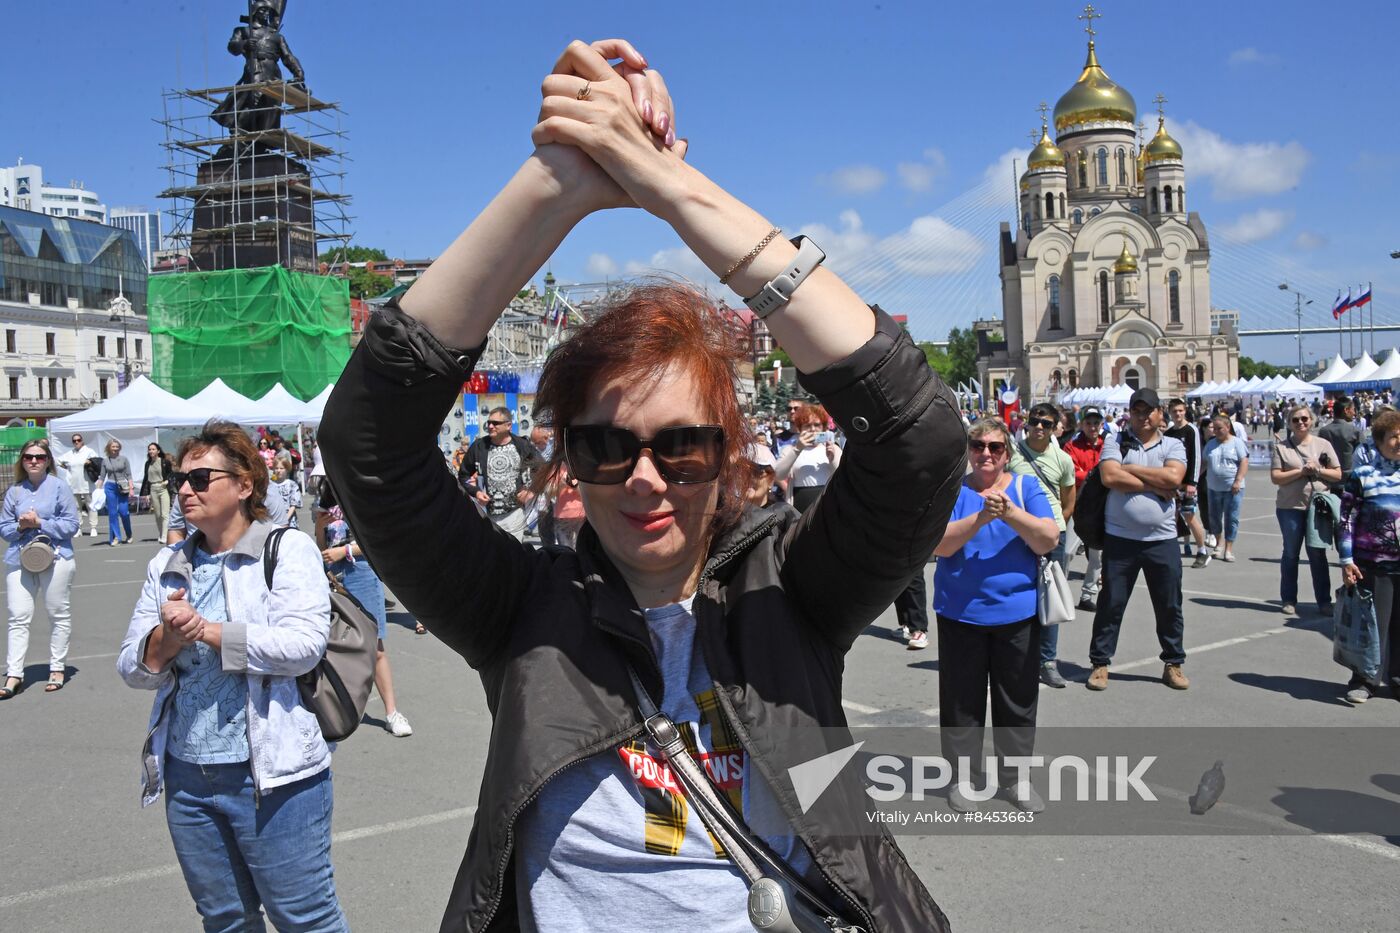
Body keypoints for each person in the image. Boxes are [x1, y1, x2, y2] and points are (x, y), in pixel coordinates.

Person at [318, 38, 964, 932]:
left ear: (732, 453)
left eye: (684, 445)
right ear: (568, 460)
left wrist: (668, 188)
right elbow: (368, 441)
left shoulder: (792, 593)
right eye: (605, 447)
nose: (646, 479)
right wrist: (557, 181)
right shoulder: (520, 610)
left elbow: (920, 439)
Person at [116, 421, 347, 930]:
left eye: (201, 478)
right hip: (186, 774)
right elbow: (133, 667)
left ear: (245, 485)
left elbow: (303, 645)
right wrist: (168, 640)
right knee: (224, 919)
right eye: (181, 478)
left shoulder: (285, 549)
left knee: (305, 918)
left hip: (272, 774)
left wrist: (209, 631)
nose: (184, 489)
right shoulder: (168, 563)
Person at [933, 418, 1058, 811]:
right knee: (961, 702)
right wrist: (981, 518)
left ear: (1007, 454)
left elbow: (1047, 538)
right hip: (960, 613)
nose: (985, 454)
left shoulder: (1025, 487)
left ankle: (1015, 780)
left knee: (1017, 702)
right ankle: (963, 779)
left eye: (995, 447)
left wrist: (1009, 514)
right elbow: (940, 545)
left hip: (1016, 615)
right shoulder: (954, 491)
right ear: (968, 450)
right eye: (977, 446)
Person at [1087, 389, 1190, 691]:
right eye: (1137, 411)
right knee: (1111, 603)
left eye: (1149, 411)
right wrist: (1154, 483)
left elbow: (1174, 480)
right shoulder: (1115, 441)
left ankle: (1173, 663)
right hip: (1120, 539)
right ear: (1129, 413)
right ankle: (1100, 663)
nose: (1142, 417)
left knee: (1169, 604)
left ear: (1160, 413)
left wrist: (1129, 468)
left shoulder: (1173, 443)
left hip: (1162, 540)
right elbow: (1109, 477)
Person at [315, 473, 412, 737]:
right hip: (334, 575)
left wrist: (344, 552)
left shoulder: (364, 496)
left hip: (362, 573)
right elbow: (322, 547)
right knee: (333, 644)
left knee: (375, 644)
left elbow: (379, 538)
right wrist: (319, 529)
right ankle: (337, 708)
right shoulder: (324, 501)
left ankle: (392, 712)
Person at [1, 440, 79, 697]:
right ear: (22, 461)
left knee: (57, 613)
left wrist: (40, 522)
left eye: (40, 457)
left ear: (48, 461)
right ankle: (14, 674)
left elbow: (71, 525)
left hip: (56, 557)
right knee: (18, 615)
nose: (34, 461)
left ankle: (57, 667)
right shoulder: (14, 491)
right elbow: (4, 528)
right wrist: (21, 526)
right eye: (29, 457)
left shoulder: (59, 487)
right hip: (20, 557)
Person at [1009, 401, 1077, 687]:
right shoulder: (1012, 454)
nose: (1039, 427)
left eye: (1046, 423)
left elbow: (1068, 500)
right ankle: (1017, 658)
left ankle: (1048, 660)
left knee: (1049, 598)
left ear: (1054, 428)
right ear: (1026, 422)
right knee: (1017, 593)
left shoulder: (1062, 459)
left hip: (1051, 538)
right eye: (1035, 421)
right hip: (1016, 534)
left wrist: (1052, 527)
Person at [1338, 408, 1400, 703]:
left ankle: (1397, 679)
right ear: (1379, 440)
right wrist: (1346, 559)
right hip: (1373, 565)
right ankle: (1364, 680)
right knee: (1373, 626)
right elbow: (1346, 519)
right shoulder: (1364, 476)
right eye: (1394, 437)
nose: (1399, 442)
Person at [1270, 404, 1341, 616]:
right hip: (1290, 507)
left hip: (1318, 508)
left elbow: (1337, 474)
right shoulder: (1281, 447)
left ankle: (1324, 601)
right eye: (1295, 420)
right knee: (1291, 553)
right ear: (1289, 423)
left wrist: (1318, 470)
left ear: (1311, 421)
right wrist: (1301, 471)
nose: (1301, 423)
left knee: (1317, 554)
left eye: (1304, 419)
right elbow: (1276, 477)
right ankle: (1289, 599)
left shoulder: (1323, 444)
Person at [457, 407, 545, 541]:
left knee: (513, 555)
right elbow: (464, 475)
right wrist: (476, 492)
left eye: (495, 423)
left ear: (508, 425)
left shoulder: (522, 446)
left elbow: (543, 469)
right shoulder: (479, 446)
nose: (491, 426)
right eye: (489, 423)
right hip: (489, 515)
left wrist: (531, 491)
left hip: (514, 513)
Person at [1064, 406, 1106, 611]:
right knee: (1066, 551)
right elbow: (1071, 472)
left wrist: (1087, 473)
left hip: (1100, 505)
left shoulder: (1108, 445)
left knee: (1097, 554)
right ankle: (1060, 592)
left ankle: (1088, 594)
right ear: (1082, 424)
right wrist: (1096, 474)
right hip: (1077, 504)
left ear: (1102, 424)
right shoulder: (1072, 446)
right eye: (1088, 423)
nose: (1093, 427)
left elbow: (1112, 471)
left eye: (1096, 422)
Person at [774, 402, 842, 514]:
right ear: (800, 428)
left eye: (817, 425)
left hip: (828, 502)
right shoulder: (790, 449)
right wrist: (797, 449)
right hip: (800, 503)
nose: (812, 429)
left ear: (824, 428)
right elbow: (778, 475)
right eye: (807, 425)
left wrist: (832, 459)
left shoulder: (833, 448)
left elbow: (842, 475)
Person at [1165, 398, 1209, 568]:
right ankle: (1171, 550)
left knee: (1190, 516)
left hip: (1187, 483)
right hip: (1173, 483)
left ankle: (1202, 550)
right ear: (1170, 412)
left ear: (1185, 411)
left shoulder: (1191, 430)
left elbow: (1196, 457)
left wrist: (1193, 482)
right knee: (1171, 517)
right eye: (1175, 411)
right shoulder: (1169, 433)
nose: (1178, 414)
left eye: (1181, 411)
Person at [1201, 416, 1249, 562]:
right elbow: (1204, 462)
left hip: (1233, 488)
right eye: (1214, 429)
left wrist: (1238, 480)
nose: (1216, 431)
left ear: (1228, 427)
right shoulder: (1211, 444)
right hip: (1213, 487)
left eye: (1219, 428)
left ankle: (1229, 549)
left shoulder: (1237, 442)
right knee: (1214, 517)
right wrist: (1193, 479)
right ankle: (1219, 544)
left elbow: (1244, 461)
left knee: (1231, 518)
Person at [55, 432, 100, 538]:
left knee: (91, 506)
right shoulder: (70, 453)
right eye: (74, 441)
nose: (76, 442)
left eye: (78, 440)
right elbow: (58, 461)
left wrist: (90, 462)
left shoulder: (89, 451)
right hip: (73, 485)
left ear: (82, 441)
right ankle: (78, 528)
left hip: (87, 483)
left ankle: (93, 527)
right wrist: (64, 466)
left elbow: (97, 461)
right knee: (76, 507)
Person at [1317, 395, 1363, 488]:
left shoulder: (1323, 431)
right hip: (1349, 479)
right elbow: (1362, 456)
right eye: (1353, 409)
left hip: (1328, 478)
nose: (1354, 413)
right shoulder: (1354, 431)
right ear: (1346, 410)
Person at [98, 439, 134, 545]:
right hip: (110, 486)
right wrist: (98, 489)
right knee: (112, 513)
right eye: (113, 446)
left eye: (117, 447)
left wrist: (131, 488)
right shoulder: (105, 461)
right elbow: (102, 476)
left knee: (124, 512)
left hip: (123, 486)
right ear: (109, 448)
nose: (115, 449)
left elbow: (129, 475)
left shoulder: (124, 459)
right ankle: (116, 537)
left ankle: (129, 534)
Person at [141, 443, 176, 542]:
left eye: (153, 449)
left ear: (158, 451)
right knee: (157, 515)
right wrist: (146, 493)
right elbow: (146, 478)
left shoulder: (164, 462)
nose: (151, 451)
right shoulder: (148, 464)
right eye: (149, 449)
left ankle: (164, 536)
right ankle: (161, 533)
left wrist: (167, 481)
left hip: (163, 488)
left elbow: (171, 474)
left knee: (165, 514)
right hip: (153, 488)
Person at [529, 425, 556, 545]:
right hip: (541, 491)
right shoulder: (532, 450)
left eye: (538, 442)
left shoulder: (555, 447)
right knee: (543, 518)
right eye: (533, 442)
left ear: (546, 438)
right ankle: (547, 543)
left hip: (556, 489)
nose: (536, 445)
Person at [265, 455, 303, 528]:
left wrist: (285, 519)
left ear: (287, 469)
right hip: (273, 522)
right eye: (276, 468)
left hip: (289, 521)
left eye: (281, 468)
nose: (279, 471)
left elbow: (293, 505)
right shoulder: (270, 484)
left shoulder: (292, 484)